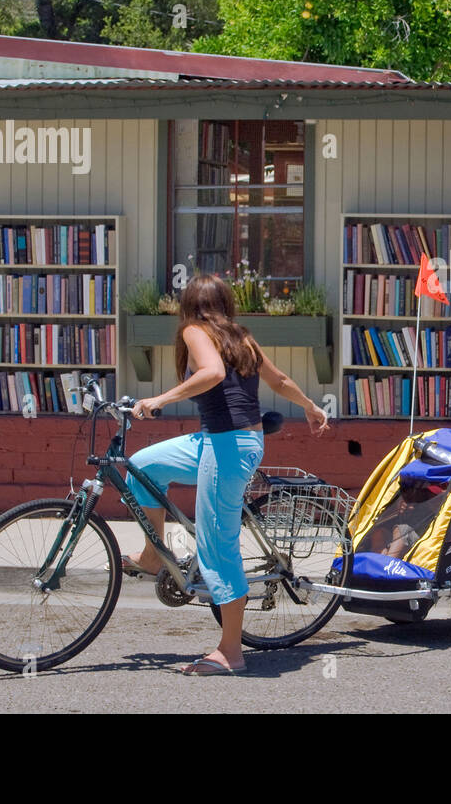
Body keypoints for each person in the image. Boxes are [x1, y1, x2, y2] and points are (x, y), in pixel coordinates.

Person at [123, 273, 330, 676]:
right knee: (142, 467)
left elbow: (213, 373)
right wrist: (309, 405)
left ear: (189, 306)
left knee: (217, 543)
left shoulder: (195, 330)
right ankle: (153, 556)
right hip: (217, 441)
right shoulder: (241, 336)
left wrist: (160, 399)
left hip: (229, 447)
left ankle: (231, 651)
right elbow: (280, 380)